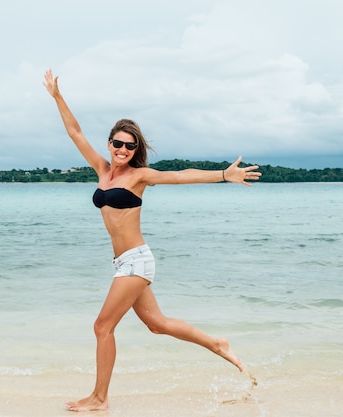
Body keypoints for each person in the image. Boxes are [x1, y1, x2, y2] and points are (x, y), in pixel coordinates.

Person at [43, 69, 262, 412]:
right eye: (118, 143)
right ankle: (217, 343)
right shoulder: (102, 171)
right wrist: (57, 96)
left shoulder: (139, 176)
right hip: (124, 262)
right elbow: (75, 131)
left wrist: (223, 175)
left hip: (137, 261)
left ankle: (99, 398)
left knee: (102, 326)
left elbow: (179, 175)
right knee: (156, 324)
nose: (123, 149)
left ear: (135, 150)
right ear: (110, 144)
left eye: (130, 146)